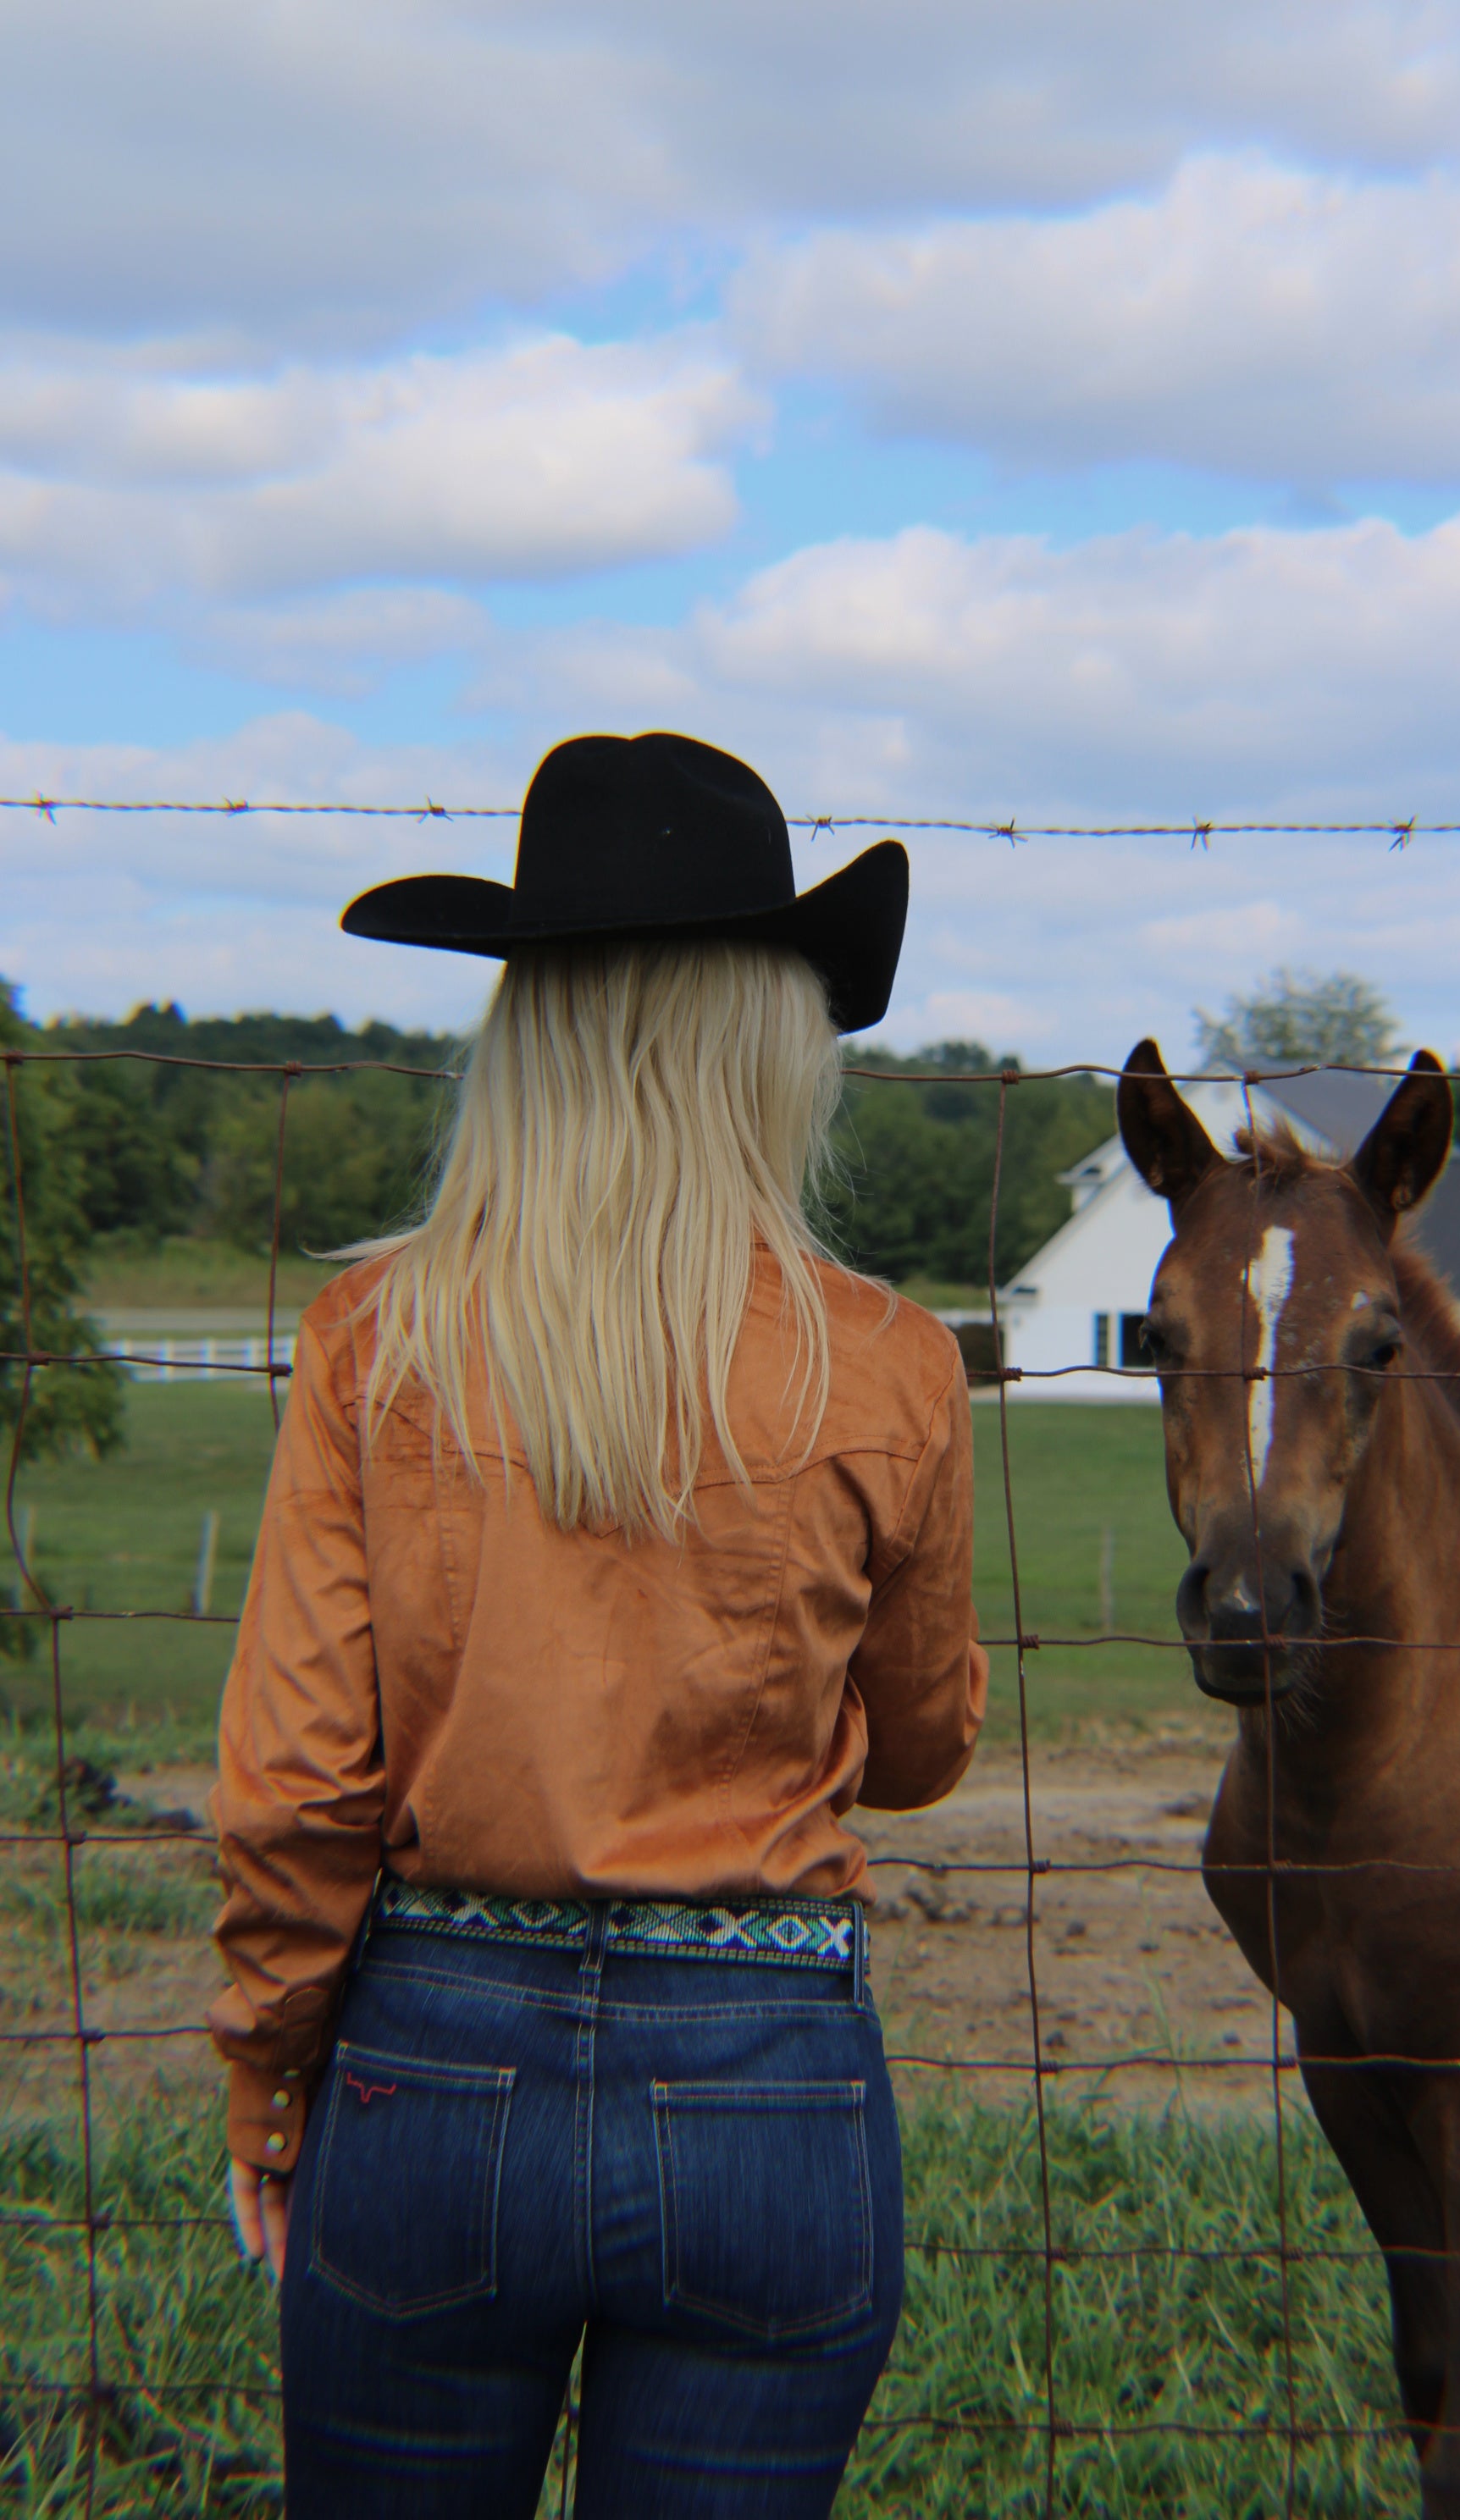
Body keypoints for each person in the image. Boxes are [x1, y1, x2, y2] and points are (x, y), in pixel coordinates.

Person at [209, 731, 987, 2519]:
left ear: (527, 1035)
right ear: (770, 1047)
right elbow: (929, 1752)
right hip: (769, 2084)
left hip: (428, 2070)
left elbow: (298, 1786)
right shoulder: (886, 1362)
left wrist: (270, 2063)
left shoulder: (373, 1344)